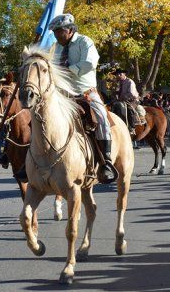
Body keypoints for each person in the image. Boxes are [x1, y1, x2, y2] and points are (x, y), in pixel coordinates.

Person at [17, 14, 116, 183]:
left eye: (59, 32)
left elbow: (90, 63)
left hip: (85, 92)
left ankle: (105, 161)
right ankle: (30, 162)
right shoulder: (55, 47)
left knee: (100, 116)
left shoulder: (85, 42)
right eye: (55, 32)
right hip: (62, 95)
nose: (56, 35)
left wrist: (67, 71)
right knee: (37, 118)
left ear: (70, 30)